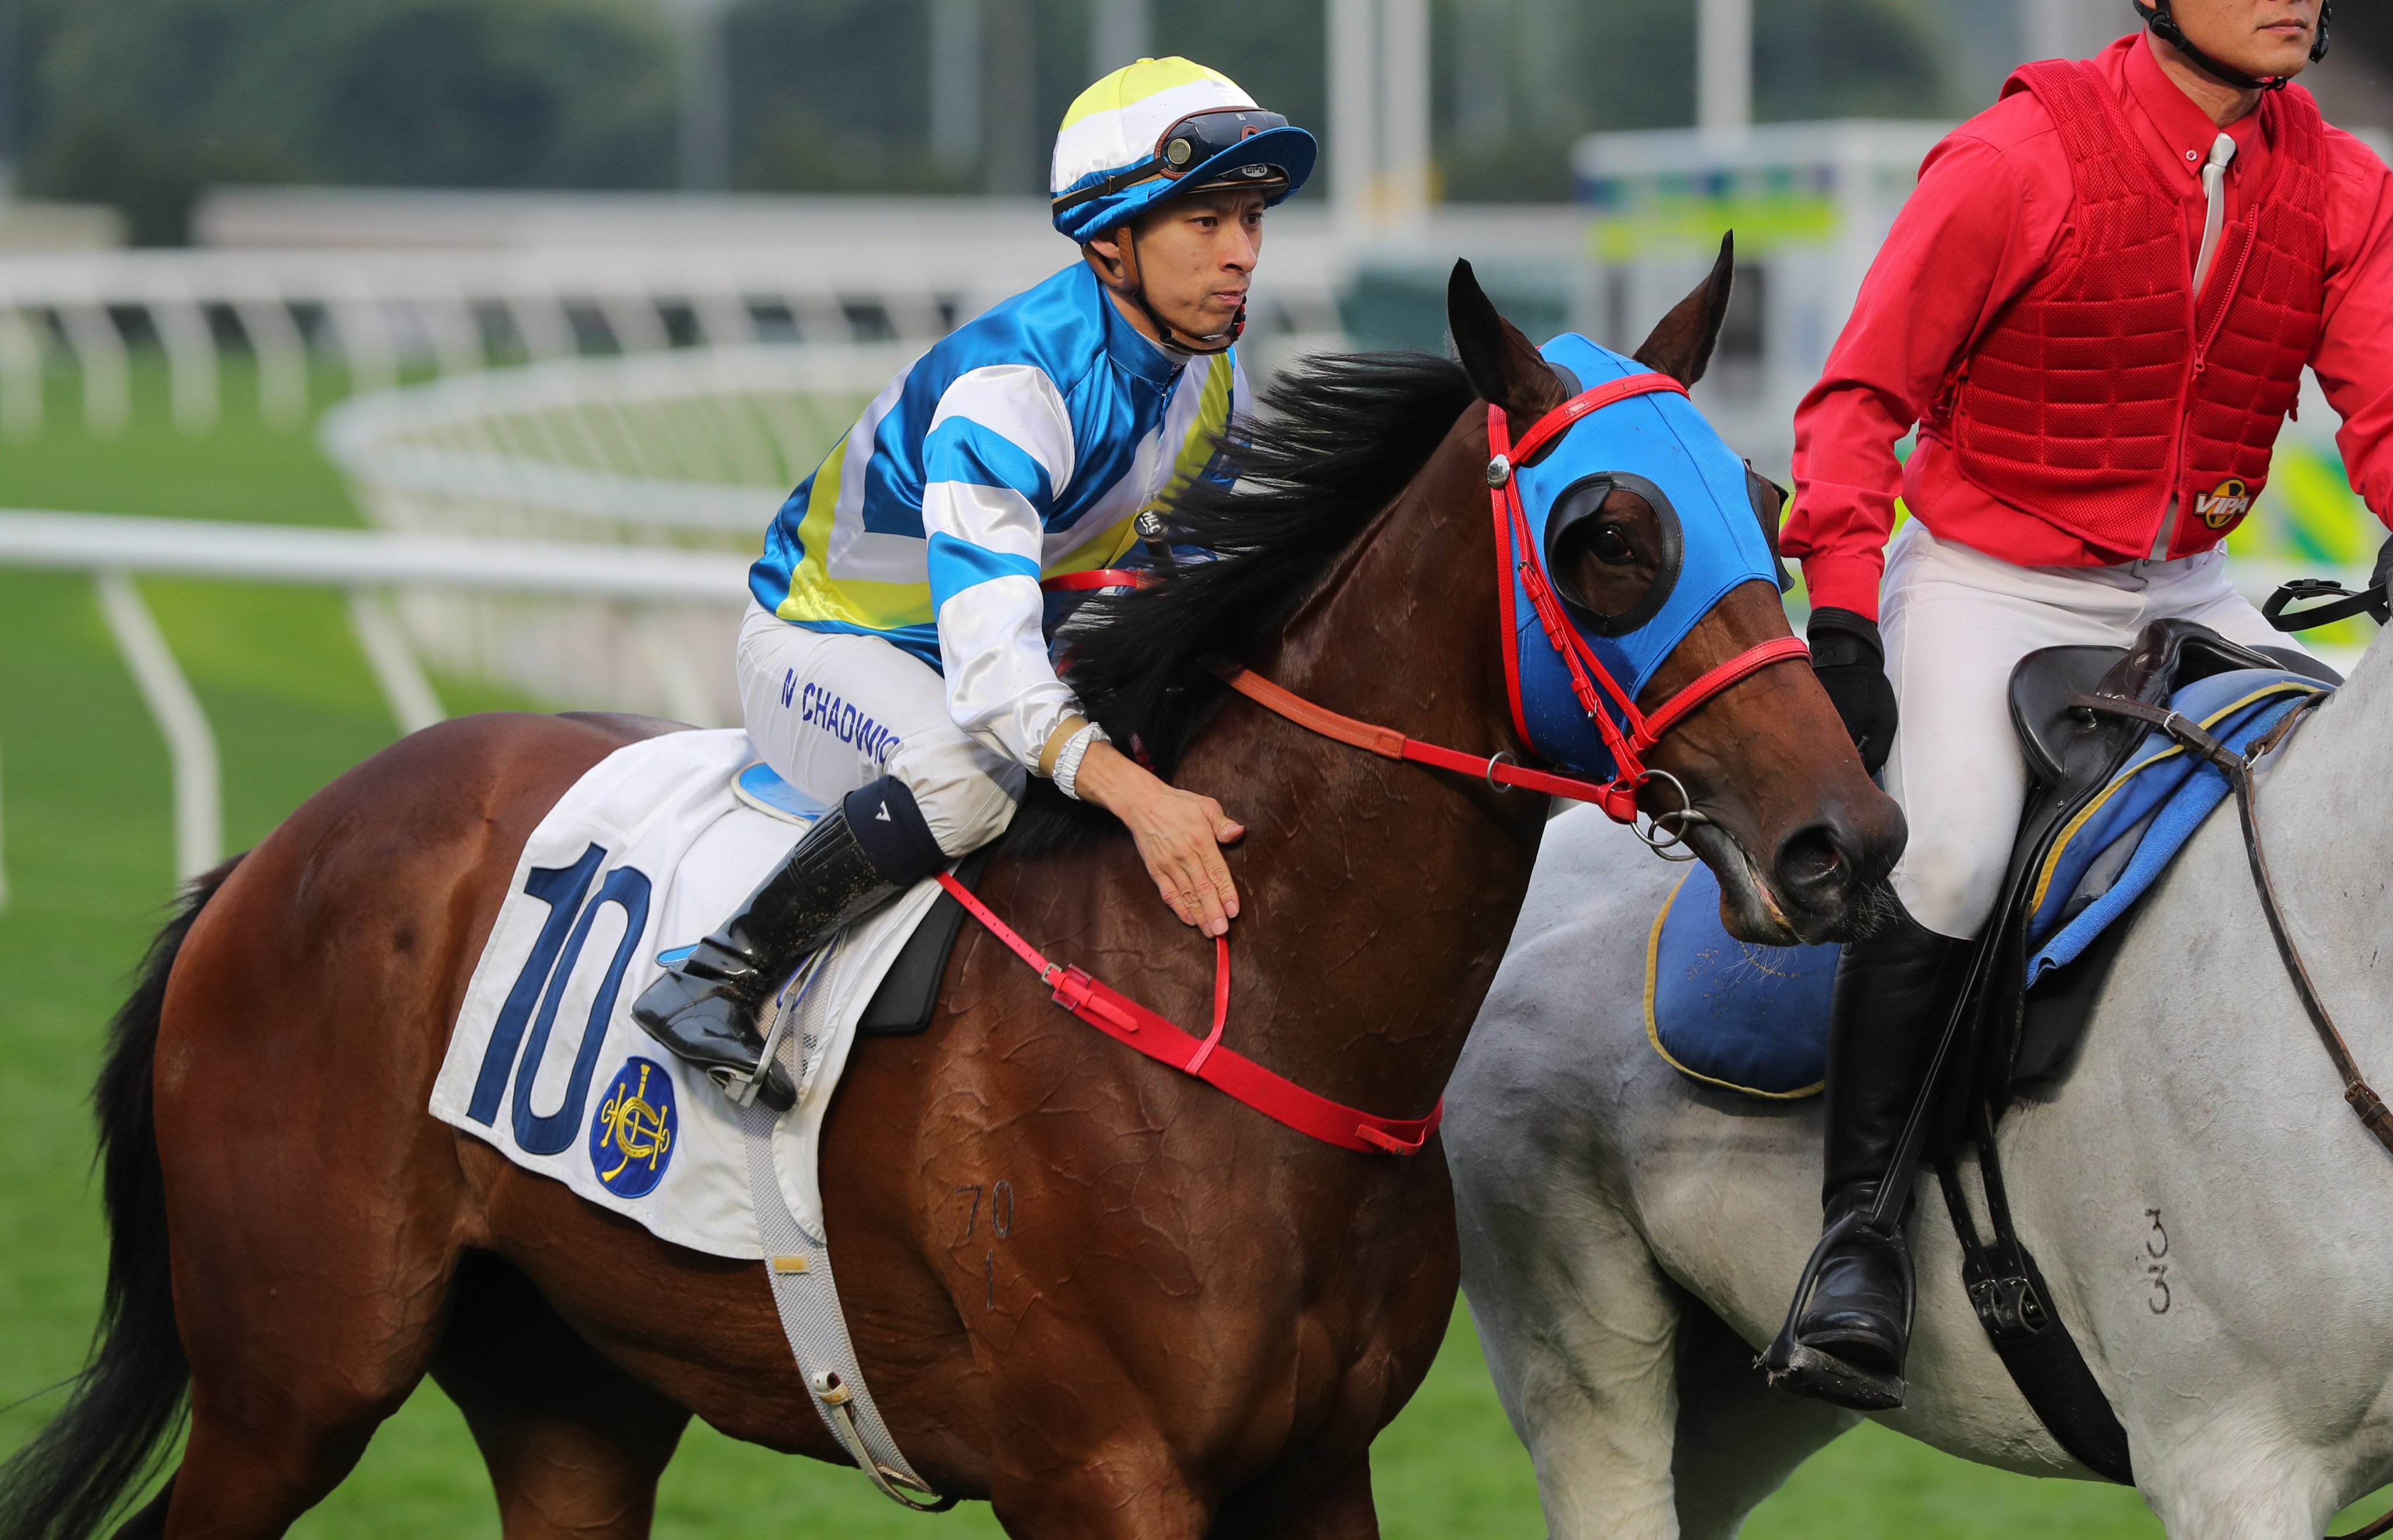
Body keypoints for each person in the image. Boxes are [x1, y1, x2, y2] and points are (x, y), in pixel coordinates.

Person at [1775, 0, 2392, 1406]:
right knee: (1946, 851)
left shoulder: (2345, 185)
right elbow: (1858, 399)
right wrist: (1845, 613)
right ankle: (1856, 1235)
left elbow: (2387, 410)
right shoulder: (2013, 158)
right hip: (1990, 580)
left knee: (2332, 810)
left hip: (2189, 585)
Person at [632, 58, 1315, 1109]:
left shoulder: (1207, 365)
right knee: (968, 777)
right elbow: (996, 683)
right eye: (1205, 223)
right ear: (1109, 238)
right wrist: (1141, 802)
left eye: (1252, 220)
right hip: (831, 644)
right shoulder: (1015, 391)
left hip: (1011, 629)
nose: (1241, 257)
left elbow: (1193, 572)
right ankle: (721, 973)